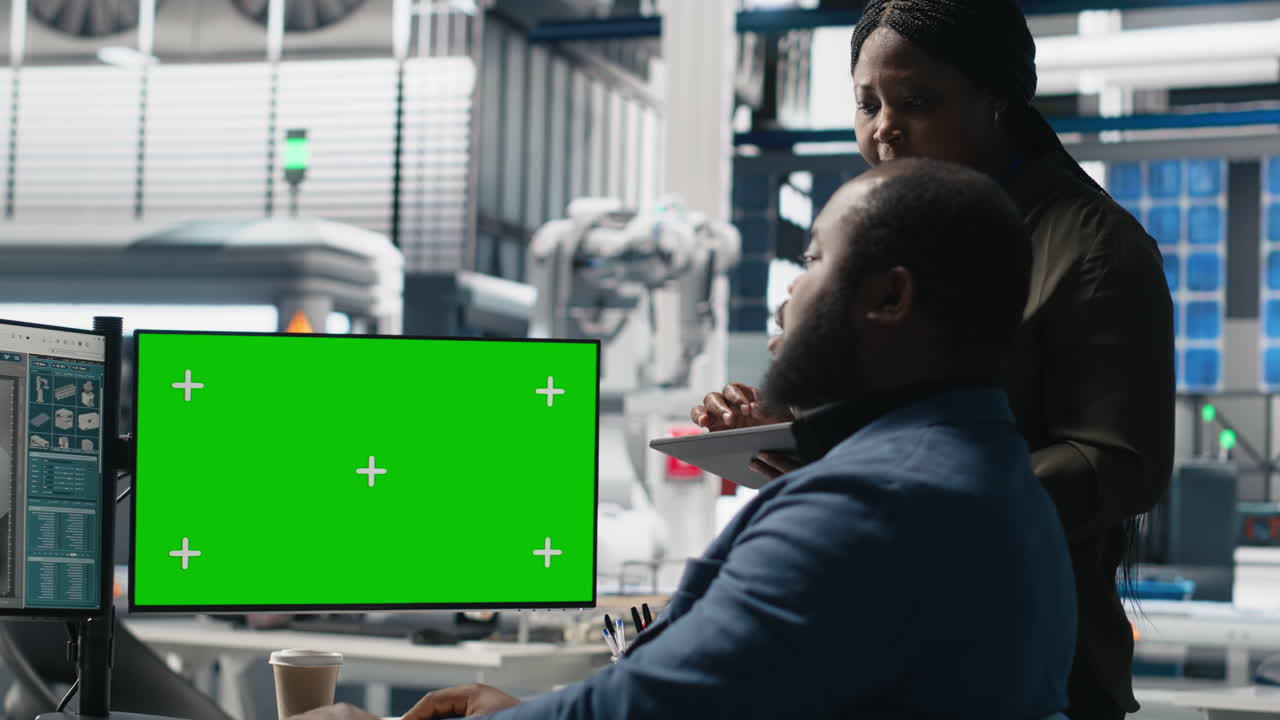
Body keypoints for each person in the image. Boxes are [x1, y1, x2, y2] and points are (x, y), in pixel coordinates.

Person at [297, 159, 1077, 720]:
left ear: (888, 297)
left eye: (809, 263)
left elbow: (650, 712)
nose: (786, 299)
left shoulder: (874, 503)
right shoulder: (998, 483)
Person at [691, 2, 1174, 718]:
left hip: (1023, 649)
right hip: (882, 636)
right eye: (867, 103)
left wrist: (898, 500)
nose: (884, 125)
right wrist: (787, 426)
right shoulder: (889, 242)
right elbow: (885, 436)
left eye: (916, 101)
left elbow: (1120, 462)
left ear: (997, 100)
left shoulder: (1092, 247)